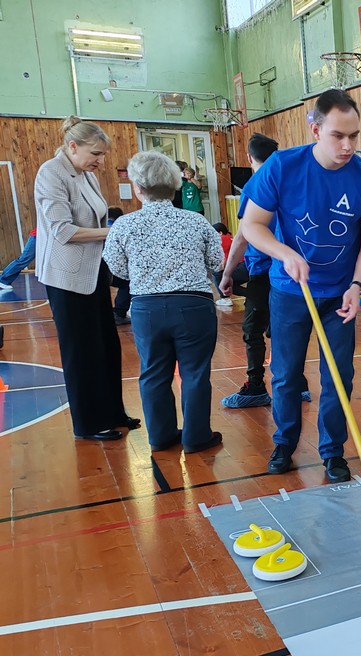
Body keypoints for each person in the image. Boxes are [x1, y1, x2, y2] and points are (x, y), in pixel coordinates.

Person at [241, 89, 361, 482]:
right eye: (337, 136)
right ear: (315, 130)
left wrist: (358, 284)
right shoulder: (281, 167)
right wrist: (284, 254)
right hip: (291, 291)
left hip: (340, 294)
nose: (347, 145)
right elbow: (251, 225)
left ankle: (332, 452)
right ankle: (284, 444)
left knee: (339, 376)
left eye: (354, 136)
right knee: (287, 374)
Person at [103, 151, 224, 454]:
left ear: (138, 188)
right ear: (174, 187)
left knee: (153, 373)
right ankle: (197, 437)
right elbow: (216, 260)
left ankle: (160, 436)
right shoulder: (195, 221)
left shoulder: (124, 225)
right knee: (195, 372)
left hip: (147, 307)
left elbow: (116, 268)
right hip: (194, 305)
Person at [34, 116, 139, 441]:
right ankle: (88, 423)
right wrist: (116, 230)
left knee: (106, 346)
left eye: (103, 155)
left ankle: (112, 412)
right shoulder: (51, 173)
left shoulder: (85, 174)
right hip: (66, 278)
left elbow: (97, 216)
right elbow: (62, 231)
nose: (101, 161)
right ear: (72, 146)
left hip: (93, 273)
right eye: (96, 154)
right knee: (80, 351)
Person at [220, 133, 312, 409]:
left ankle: (256, 386)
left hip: (264, 269)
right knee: (283, 330)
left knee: (253, 330)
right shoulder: (292, 183)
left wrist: (227, 273)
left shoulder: (256, 185)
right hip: (288, 269)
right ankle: (298, 384)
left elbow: (242, 236)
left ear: (249, 158)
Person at [107, 207, 132, 325]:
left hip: (95, 269)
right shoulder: (118, 229)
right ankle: (119, 312)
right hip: (107, 270)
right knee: (129, 281)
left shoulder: (99, 227)